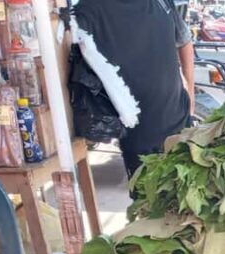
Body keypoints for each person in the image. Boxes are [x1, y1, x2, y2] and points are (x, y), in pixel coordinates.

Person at [71, 0, 195, 179]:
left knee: (188, 191)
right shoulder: (88, 10)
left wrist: (190, 91)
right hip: (139, 134)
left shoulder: (161, 2)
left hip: (179, 120)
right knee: (149, 199)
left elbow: (184, 41)